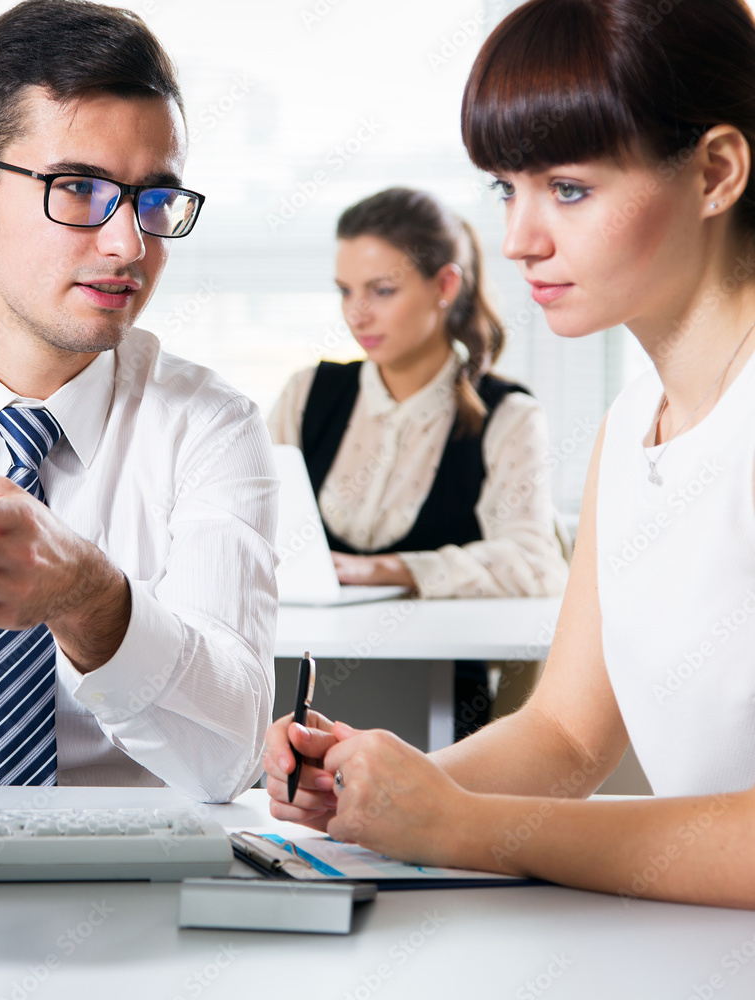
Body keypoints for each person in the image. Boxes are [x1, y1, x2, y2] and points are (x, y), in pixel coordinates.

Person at [265, 0, 755, 907]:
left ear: (717, 172)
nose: (521, 239)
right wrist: (383, 790)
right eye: (507, 188)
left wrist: (464, 826)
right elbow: (567, 737)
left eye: (568, 188)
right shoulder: (633, 417)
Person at [0, 0, 277, 814]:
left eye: (153, 200)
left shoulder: (211, 425)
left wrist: (92, 598)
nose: (129, 245)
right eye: (79, 188)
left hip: (127, 896)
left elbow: (230, 755)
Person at [266, 188, 568, 739]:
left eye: (382, 290)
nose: (357, 313)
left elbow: (537, 562)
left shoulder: (508, 414)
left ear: (445, 287)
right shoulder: (307, 393)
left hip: (440, 699)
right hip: (296, 689)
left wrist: (393, 569)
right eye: (345, 291)